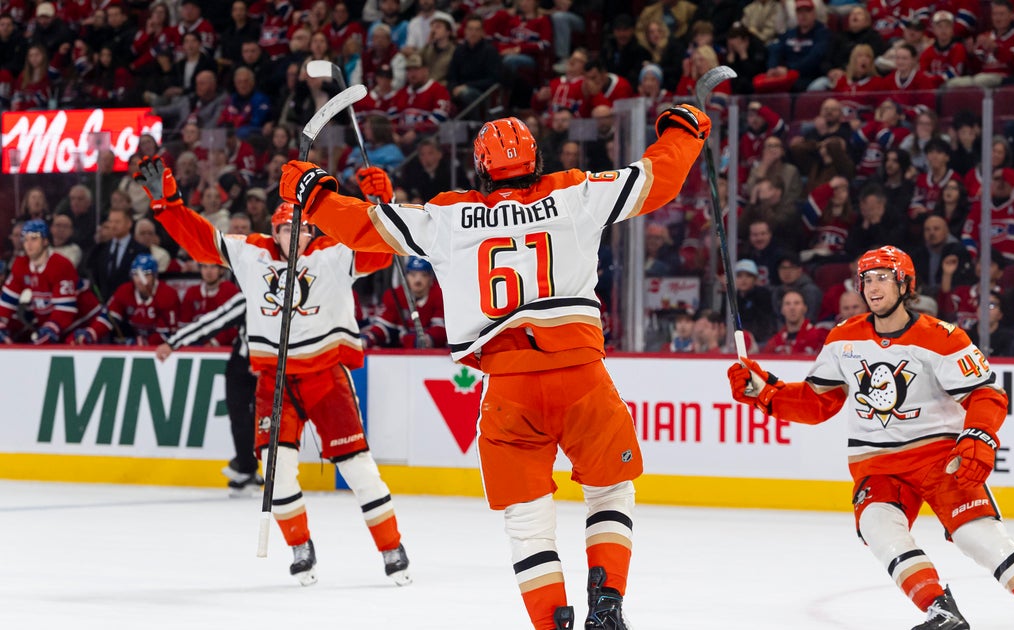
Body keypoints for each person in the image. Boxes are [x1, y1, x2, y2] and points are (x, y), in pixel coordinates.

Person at [285, 105, 710, 629]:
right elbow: (657, 179)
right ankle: (607, 602)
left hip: (509, 389)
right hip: (581, 376)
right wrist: (683, 130)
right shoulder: (574, 190)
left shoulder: (449, 214)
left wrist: (314, 193)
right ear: (536, 158)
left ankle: (552, 623)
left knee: (528, 523)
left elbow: (364, 227)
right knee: (609, 490)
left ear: (481, 168)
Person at [725, 245, 1014, 630]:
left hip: (941, 460)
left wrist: (979, 436)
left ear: (904, 283)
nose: (873, 287)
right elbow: (817, 403)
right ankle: (941, 612)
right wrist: (764, 392)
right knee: (878, 528)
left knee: (976, 536)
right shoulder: (843, 339)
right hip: (877, 467)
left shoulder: (942, 338)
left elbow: (986, 394)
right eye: (866, 279)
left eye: (883, 277)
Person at [129, 161, 413, 588]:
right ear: (276, 231)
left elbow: (383, 245)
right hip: (273, 381)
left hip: (325, 377)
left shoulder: (334, 255)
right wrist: (168, 206)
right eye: (287, 231)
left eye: (304, 231)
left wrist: (383, 203)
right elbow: (205, 244)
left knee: (358, 469)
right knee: (276, 472)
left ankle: (391, 546)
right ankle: (300, 546)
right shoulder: (252, 253)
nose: (295, 238)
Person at [156, 289, 262, 494]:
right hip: (241, 364)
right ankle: (247, 468)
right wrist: (173, 343)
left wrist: (269, 362)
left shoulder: (294, 300)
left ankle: (256, 465)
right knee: (239, 415)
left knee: (269, 419)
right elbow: (211, 323)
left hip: (275, 365)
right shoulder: (248, 299)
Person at [0, 220, 79, 345]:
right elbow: (6, 302)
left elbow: (65, 310)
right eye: (25, 239)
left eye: (34, 239)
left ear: (45, 241)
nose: (28, 244)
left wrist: (49, 329)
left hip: (80, 324)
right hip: (48, 324)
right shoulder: (21, 264)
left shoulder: (61, 264)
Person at [73, 254, 179, 346]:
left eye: (146, 275)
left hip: (163, 349)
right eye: (136, 274)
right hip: (137, 342)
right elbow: (108, 318)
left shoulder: (167, 294)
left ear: (155, 275)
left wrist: (143, 343)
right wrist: (92, 333)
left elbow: (168, 333)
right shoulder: (125, 291)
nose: (140, 280)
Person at [360, 257, 447, 348]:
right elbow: (384, 326)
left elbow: (441, 329)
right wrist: (369, 337)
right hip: (401, 354)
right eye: (413, 275)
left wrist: (427, 339)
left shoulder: (440, 295)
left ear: (431, 278)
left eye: (424, 275)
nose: (418, 280)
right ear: (406, 277)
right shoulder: (395, 295)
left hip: (433, 356)